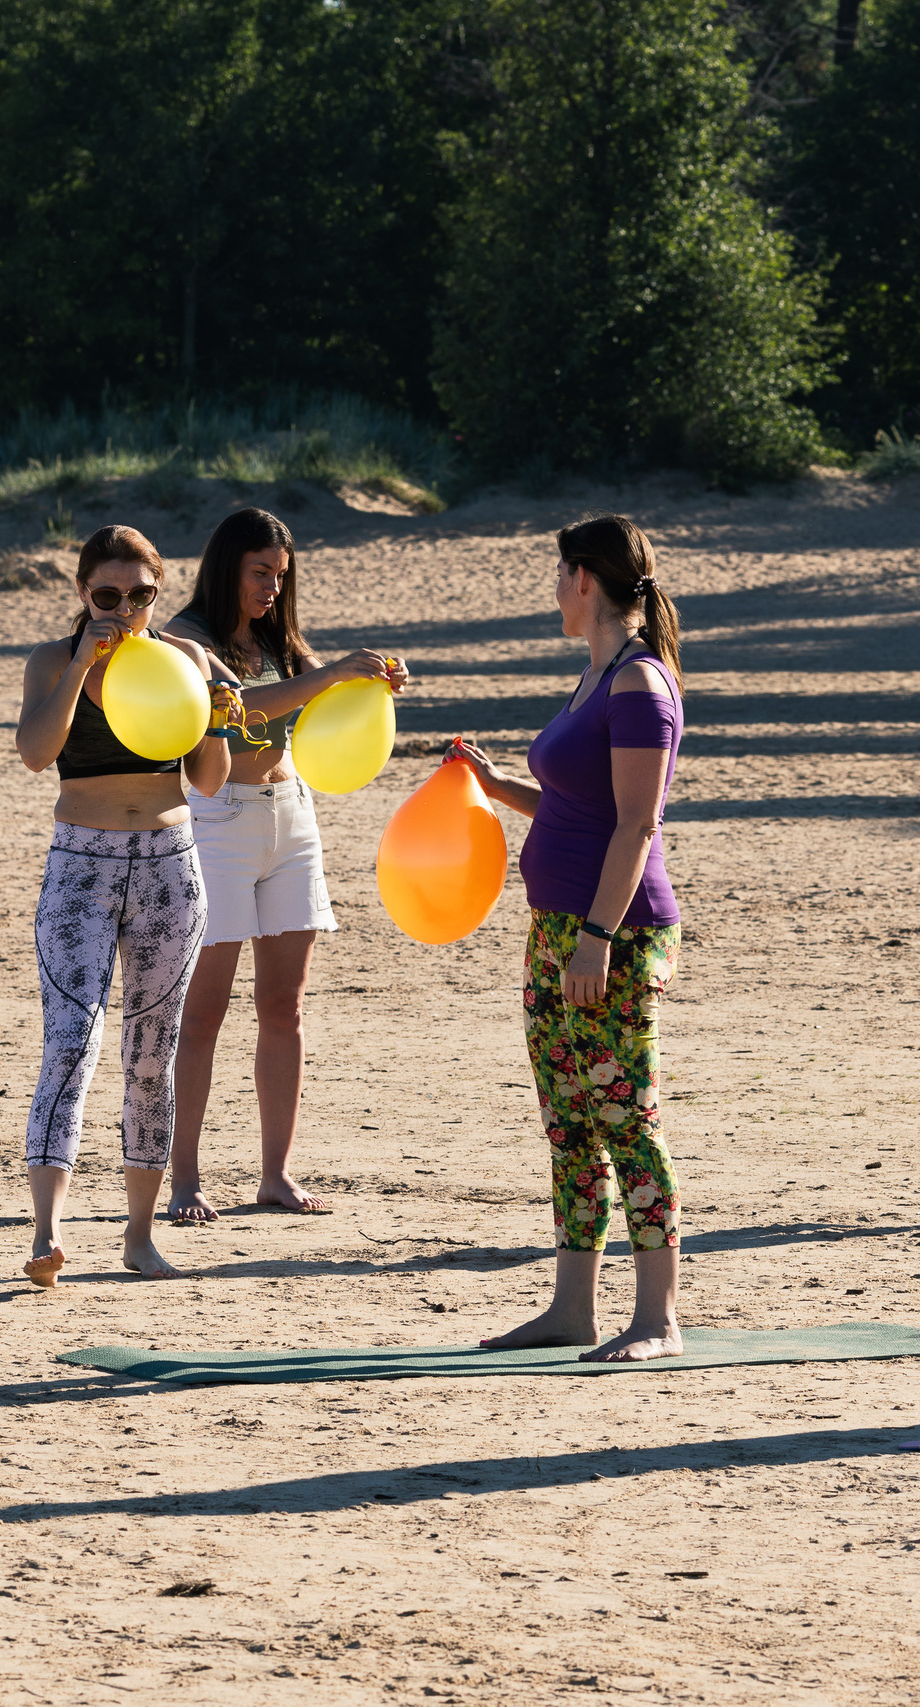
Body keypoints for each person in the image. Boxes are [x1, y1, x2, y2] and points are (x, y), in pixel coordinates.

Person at [453, 513, 687, 1362]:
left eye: (559, 575)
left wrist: (597, 936)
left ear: (584, 578)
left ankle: (657, 1317)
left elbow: (636, 825)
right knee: (569, 1122)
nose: (554, 590)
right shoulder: (594, 678)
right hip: (556, 931)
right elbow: (575, 807)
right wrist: (492, 783)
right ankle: (571, 1307)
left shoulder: (638, 685)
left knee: (627, 1115)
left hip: (612, 936)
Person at [158, 508, 410, 1221]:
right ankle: (183, 1178)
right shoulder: (186, 640)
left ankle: (275, 1173)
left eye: (280, 575)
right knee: (202, 1013)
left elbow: (317, 703)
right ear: (227, 567)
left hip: (291, 817)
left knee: (283, 1007)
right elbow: (236, 713)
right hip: (218, 823)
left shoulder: (279, 638)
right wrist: (330, 673)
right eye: (260, 572)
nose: (272, 587)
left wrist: (372, 682)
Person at [12, 525, 240, 1286]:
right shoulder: (51, 659)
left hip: (170, 868)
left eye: (141, 595)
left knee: (152, 1055)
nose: (124, 610)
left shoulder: (185, 659)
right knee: (71, 1038)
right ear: (83, 592)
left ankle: (140, 1237)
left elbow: (208, 778)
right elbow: (37, 750)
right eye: (107, 595)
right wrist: (83, 664)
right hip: (82, 860)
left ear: (157, 592)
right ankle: (47, 1231)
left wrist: (214, 711)